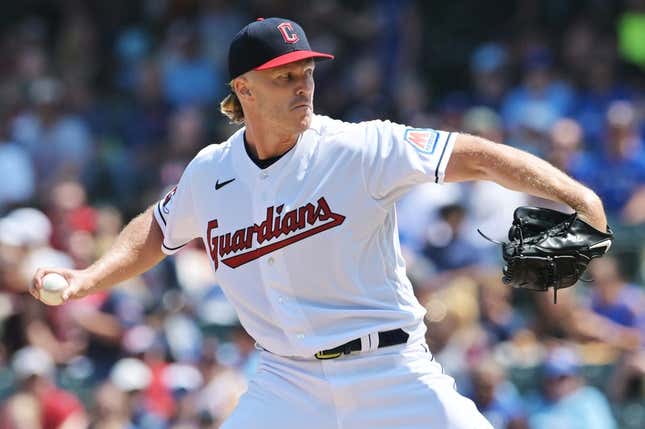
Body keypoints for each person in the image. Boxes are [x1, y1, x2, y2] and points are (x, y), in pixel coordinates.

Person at [31, 17, 609, 429]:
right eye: (284, 76)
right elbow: (158, 229)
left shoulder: (358, 147)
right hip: (285, 384)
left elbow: (475, 153)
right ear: (243, 89)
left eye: (306, 70)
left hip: (390, 371)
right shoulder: (211, 172)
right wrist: (88, 278)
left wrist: (573, 191)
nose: (303, 84)